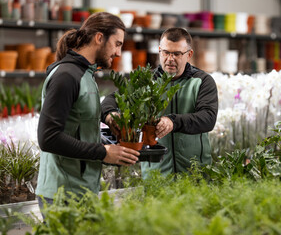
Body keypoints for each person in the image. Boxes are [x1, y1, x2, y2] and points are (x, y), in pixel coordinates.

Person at [35, 12, 140, 209]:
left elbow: (77, 125)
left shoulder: (86, 74)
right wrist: (102, 152)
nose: (119, 53)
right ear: (99, 38)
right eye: (117, 44)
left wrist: (107, 119)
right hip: (62, 195)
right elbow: (48, 138)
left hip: (80, 191)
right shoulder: (66, 76)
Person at [101, 27, 218, 179]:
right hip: (155, 176)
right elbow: (110, 100)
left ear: (189, 55)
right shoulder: (145, 81)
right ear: (159, 51)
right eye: (166, 52)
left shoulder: (202, 81)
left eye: (176, 54)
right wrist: (110, 115)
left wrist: (173, 121)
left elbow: (207, 118)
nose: (170, 59)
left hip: (195, 174)